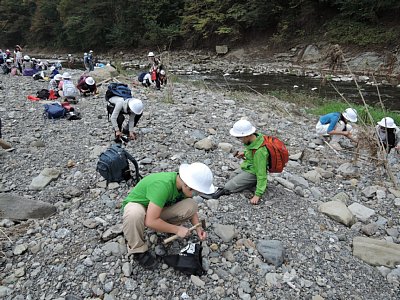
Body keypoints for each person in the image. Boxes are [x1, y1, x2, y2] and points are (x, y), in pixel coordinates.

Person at [122, 162, 215, 269]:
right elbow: (150, 221)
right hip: (139, 206)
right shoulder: (163, 185)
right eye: (197, 192)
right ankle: (138, 250)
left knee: (191, 205)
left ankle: (162, 227)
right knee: (134, 214)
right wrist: (177, 230)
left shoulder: (183, 185)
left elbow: (192, 211)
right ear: (188, 186)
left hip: (157, 209)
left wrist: (198, 228)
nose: (198, 195)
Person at [203, 120, 268, 205]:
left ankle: (254, 182)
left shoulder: (260, 152)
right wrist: (244, 153)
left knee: (227, 187)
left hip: (254, 172)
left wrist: (257, 194)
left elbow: (262, 174)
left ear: (247, 135)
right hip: (249, 166)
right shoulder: (255, 139)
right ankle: (249, 182)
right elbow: (251, 149)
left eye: (240, 138)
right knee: (232, 176)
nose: (239, 140)